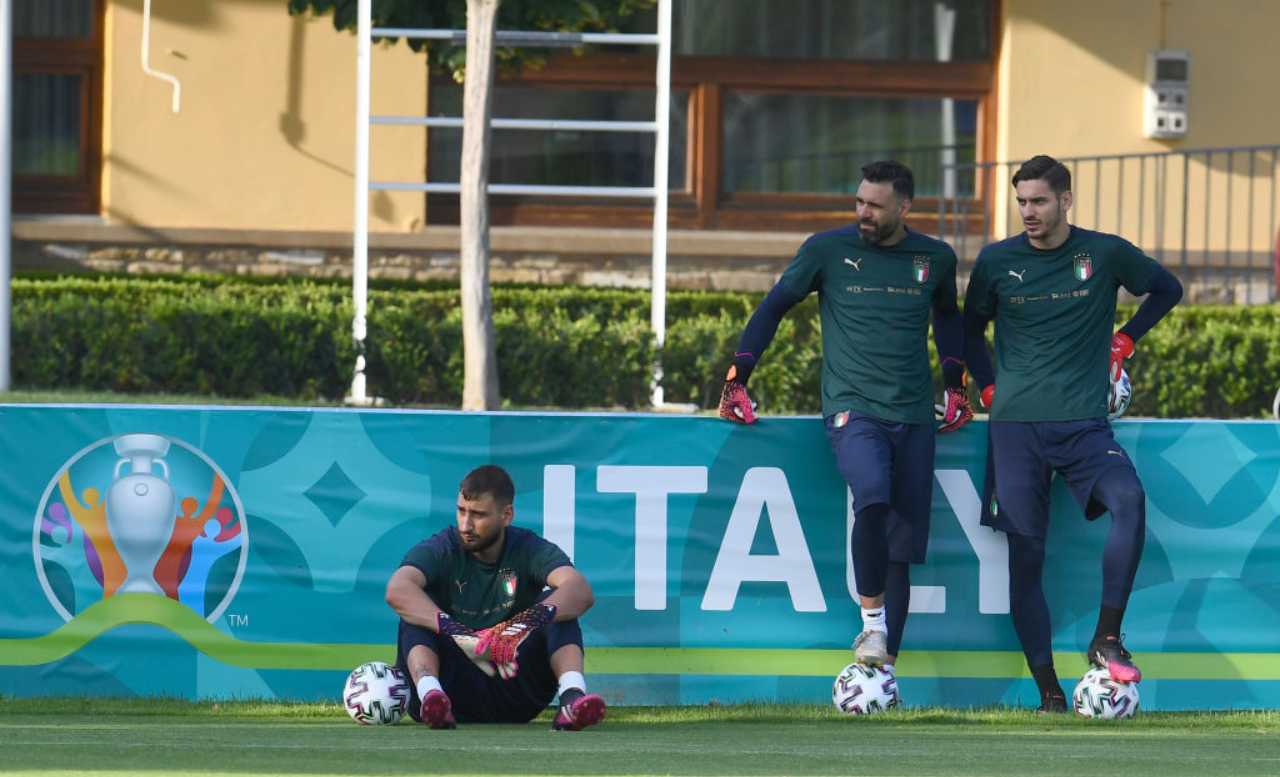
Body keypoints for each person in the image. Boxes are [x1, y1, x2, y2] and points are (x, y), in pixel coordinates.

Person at [719, 160, 973, 677]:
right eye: (859, 201)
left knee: (899, 547)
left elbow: (948, 320)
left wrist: (955, 384)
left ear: (904, 207)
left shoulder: (936, 258)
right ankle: (871, 622)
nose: (863, 212)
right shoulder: (826, 250)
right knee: (872, 495)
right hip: (852, 409)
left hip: (914, 415)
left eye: (874, 205)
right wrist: (738, 376)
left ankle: (883, 674)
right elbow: (772, 308)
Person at [963, 154, 1183, 712]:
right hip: (1014, 430)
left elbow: (1167, 288)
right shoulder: (996, 261)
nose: (1028, 212)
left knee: (1129, 499)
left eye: (1038, 201)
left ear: (1065, 200)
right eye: (1021, 202)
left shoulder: (1103, 252)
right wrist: (986, 387)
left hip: (1084, 426)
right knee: (1025, 556)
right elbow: (967, 330)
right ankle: (1050, 692)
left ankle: (1107, 636)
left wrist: (1127, 338)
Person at [385, 464, 605, 730]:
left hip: (514, 686)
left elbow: (580, 590)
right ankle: (431, 695)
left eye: (478, 515)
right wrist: (461, 635)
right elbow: (397, 589)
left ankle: (572, 700)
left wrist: (517, 628)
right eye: (461, 511)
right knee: (417, 605)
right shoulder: (442, 547)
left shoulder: (527, 547)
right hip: (452, 688)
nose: (465, 524)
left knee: (557, 605)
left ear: (506, 515)